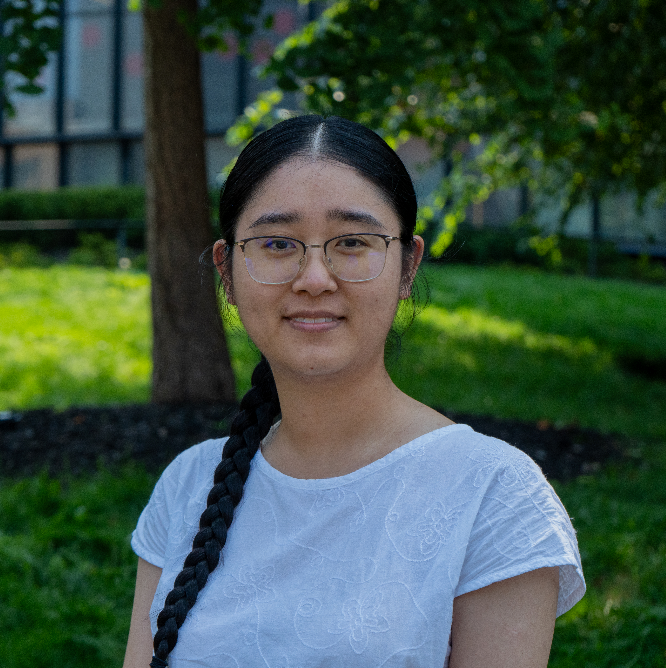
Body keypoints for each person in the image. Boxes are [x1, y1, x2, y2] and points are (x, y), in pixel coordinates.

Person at [123, 115, 585, 668]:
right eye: (276, 243)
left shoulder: (493, 494)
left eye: (352, 242)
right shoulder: (187, 489)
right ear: (228, 271)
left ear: (407, 266)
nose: (314, 278)